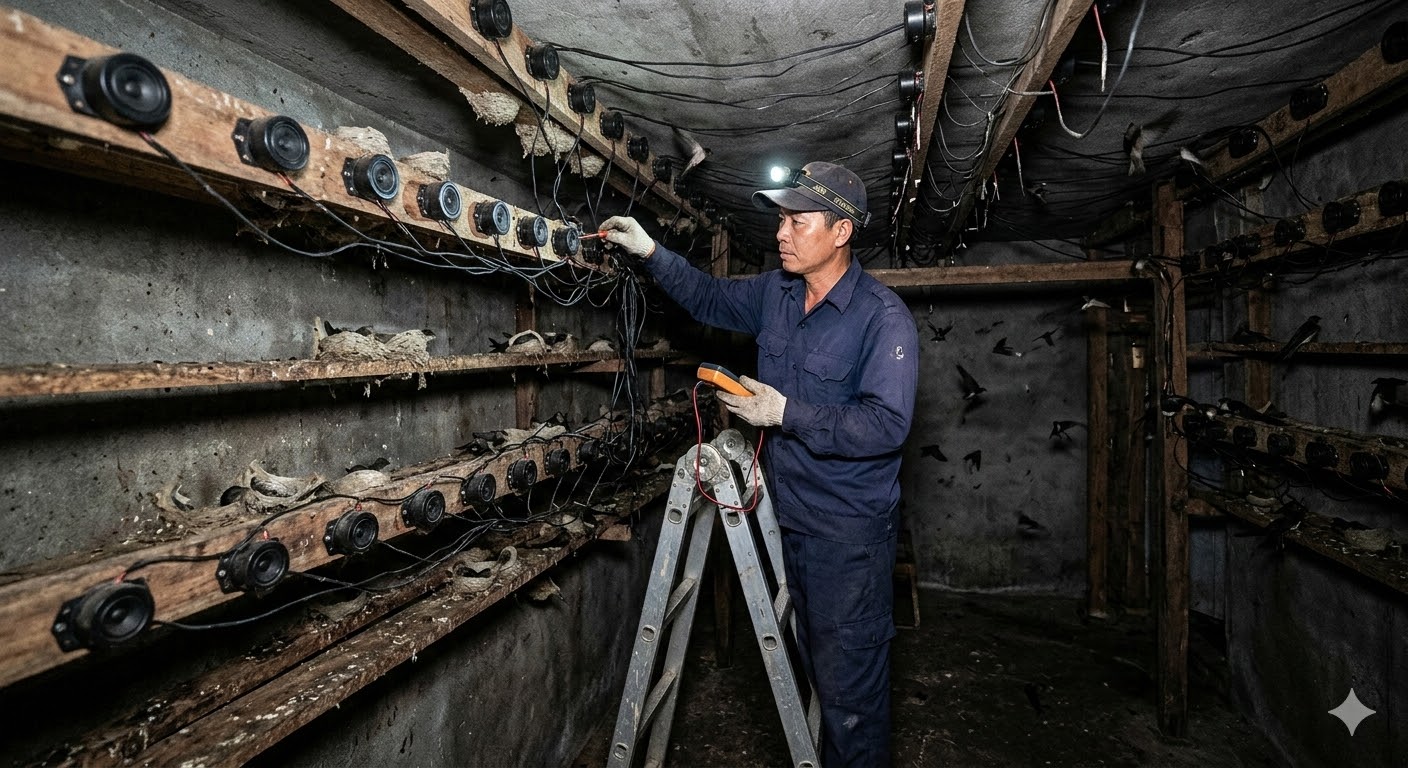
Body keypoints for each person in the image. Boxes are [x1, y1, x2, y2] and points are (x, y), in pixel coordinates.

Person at [600, 160, 918, 767]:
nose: (781, 233)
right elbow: (708, 297)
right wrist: (650, 251)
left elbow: (887, 424)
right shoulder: (776, 294)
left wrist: (784, 412)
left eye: (798, 222)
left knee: (851, 695)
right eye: (781, 220)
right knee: (812, 669)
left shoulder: (882, 319)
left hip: (847, 536)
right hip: (787, 519)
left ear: (841, 232)